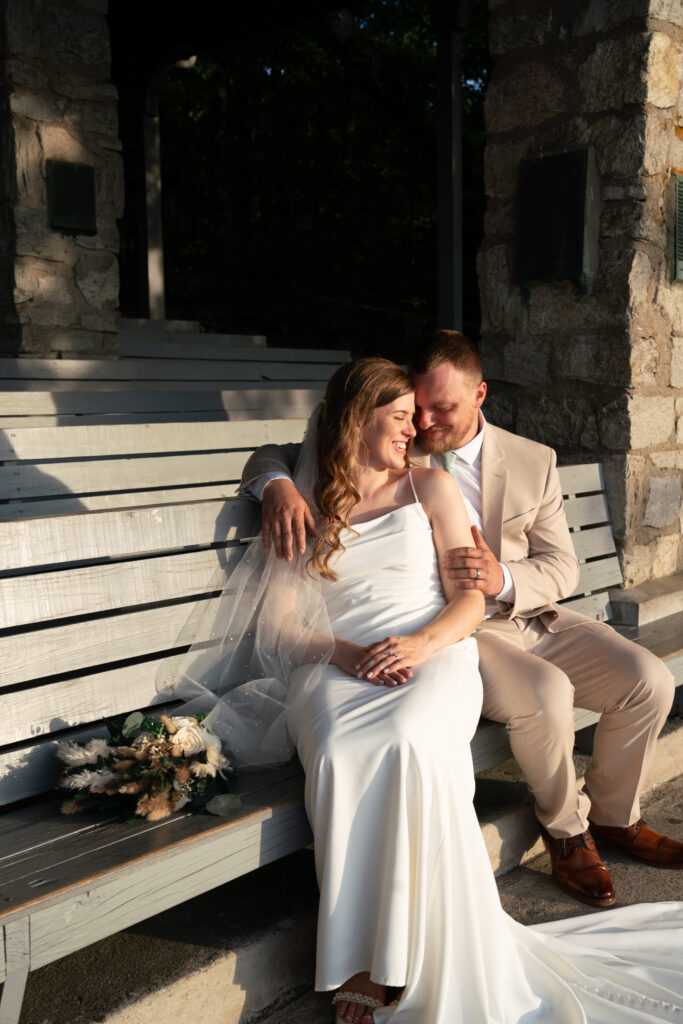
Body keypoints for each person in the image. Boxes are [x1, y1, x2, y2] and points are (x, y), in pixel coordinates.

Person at [172, 357, 683, 1024]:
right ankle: (359, 956)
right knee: (339, 753)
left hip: (437, 647)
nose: (417, 428)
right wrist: (346, 652)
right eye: (402, 416)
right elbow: (279, 625)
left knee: (413, 740)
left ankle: (419, 941)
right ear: (356, 419)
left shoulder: (433, 487)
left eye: (422, 414)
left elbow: (475, 599)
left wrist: (420, 645)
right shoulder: (302, 494)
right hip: (334, 663)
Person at [240, 332, 681, 910]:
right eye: (417, 407)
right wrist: (275, 485)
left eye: (440, 409)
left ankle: (616, 817)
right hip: (460, 629)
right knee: (545, 694)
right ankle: (568, 834)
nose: (423, 421)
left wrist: (502, 580)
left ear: (480, 395)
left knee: (649, 680)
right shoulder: (397, 449)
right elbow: (286, 449)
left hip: (526, 611)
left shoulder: (532, 460)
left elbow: (562, 567)